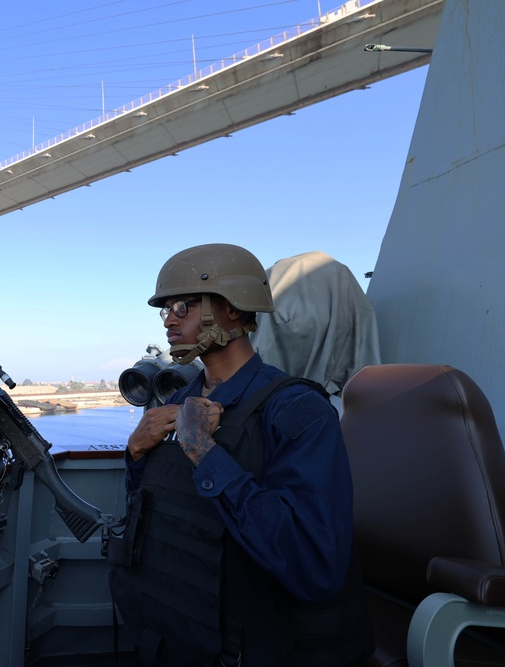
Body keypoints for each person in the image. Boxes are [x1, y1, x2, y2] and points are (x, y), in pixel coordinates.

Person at [107, 243, 372, 666]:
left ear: (232, 309)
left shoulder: (298, 411)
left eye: (184, 306)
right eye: (165, 310)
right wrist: (136, 456)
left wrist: (205, 453)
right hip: (178, 638)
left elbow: (315, 564)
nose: (170, 321)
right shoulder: (180, 399)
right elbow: (159, 511)